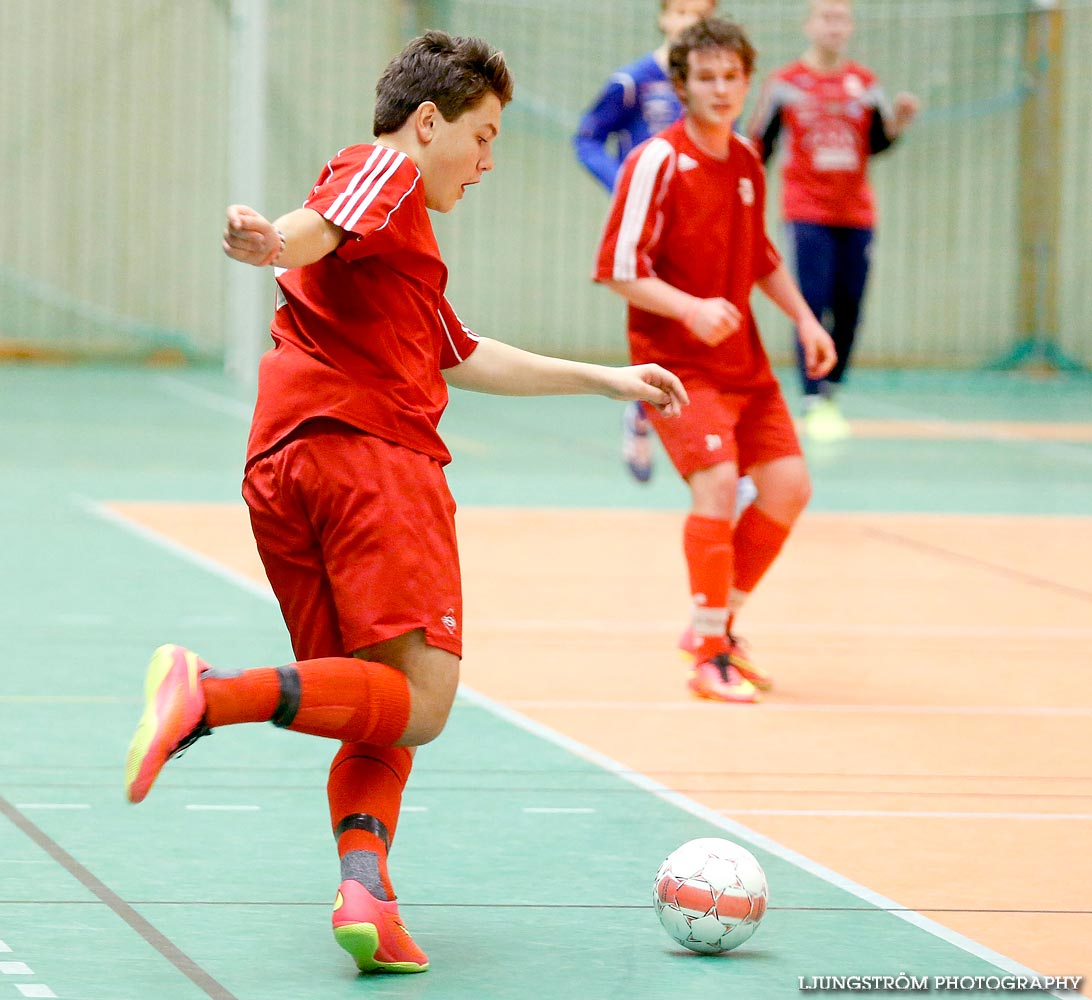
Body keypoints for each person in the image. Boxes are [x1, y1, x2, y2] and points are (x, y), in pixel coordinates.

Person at [123, 31, 686, 977]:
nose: (490, 160)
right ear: (430, 123)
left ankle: (365, 896)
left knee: (375, 703)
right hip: (371, 461)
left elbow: (462, 354)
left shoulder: (400, 253)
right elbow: (320, 221)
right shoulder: (383, 173)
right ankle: (206, 695)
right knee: (422, 705)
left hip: (284, 464)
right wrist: (275, 239)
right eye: (485, 133)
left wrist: (606, 379)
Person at [594, 17, 836, 702]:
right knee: (720, 486)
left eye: (732, 76)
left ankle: (718, 626)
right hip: (676, 364)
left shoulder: (748, 161)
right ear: (682, 84)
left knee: (789, 487)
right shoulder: (654, 162)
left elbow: (758, 257)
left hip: (746, 364)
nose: (721, 89)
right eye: (706, 77)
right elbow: (616, 268)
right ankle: (707, 650)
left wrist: (804, 318)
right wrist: (690, 309)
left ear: (746, 80)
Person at [747, 0, 919, 441]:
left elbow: (876, 143)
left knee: (850, 304)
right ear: (809, 25)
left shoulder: (865, 84)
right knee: (811, 299)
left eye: (841, 19)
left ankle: (833, 386)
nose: (833, 27)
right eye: (825, 18)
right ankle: (811, 394)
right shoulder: (784, 84)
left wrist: (897, 123)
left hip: (856, 212)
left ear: (850, 28)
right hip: (806, 210)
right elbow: (758, 147)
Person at [574, 0, 716, 485]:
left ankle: (705, 430)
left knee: (702, 317)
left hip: (697, 221)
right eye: (679, 11)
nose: (687, 22)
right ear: (663, 16)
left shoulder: (708, 86)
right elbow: (587, 138)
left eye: (698, 14)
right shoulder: (634, 81)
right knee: (657, 313)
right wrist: (624, 185)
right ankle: (641, 412)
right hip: (647, 227)